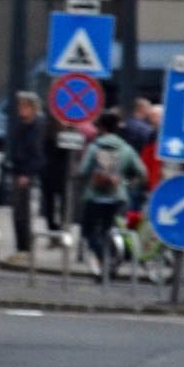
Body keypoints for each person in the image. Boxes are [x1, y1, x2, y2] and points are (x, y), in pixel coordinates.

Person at [77, 109, 148, 279]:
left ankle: (103, 259)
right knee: (112, 232)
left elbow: (83, 171)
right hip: (117, 198)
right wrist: (127, 186)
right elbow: (142, 173)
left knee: (89, 232)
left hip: (94, 198)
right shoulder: (127, 149)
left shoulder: (95, 147)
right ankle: (112, 265)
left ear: (101, 127)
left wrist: (92, 180)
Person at [4, 91, 45, 254]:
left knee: (23, 210)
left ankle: (25, 244)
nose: (21, 110)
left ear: (33, 108)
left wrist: (27, 174)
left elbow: (37, 153)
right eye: (20, 106)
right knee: (17, 211)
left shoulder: (37, 127)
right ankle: (20, 244)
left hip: (26, 174)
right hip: (17, 171)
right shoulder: (20, 127)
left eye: (25, 107)